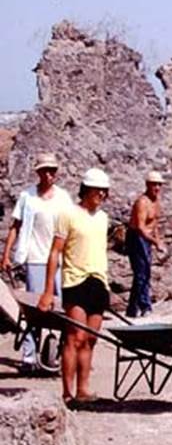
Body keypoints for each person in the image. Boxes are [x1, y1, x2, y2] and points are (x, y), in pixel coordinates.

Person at [37, 168, 112, 406]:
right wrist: (48, 291)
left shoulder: (103, 218)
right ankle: (67, 393)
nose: (100, 194)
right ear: (85, 190)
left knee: (90, 339)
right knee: (74, 337)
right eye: (96, 190)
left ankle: (83, 390)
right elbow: (55, 252)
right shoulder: (68, 214)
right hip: (75, 281)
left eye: (104, 191)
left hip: (99, 282)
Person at [1, 152, 73, 373]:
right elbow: (16, 226)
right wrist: (6, 254)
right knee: (34, 309)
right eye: (45, 170)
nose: (49, 174)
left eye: (53, 170)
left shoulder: (63, 198)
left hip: (59, 260)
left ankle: (57, 353)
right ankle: (29, 357)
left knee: (60, 309)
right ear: (39, 172)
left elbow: (72, 227)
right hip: (35, 258)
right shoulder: (28, 197)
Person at [126, 171, 164, 318]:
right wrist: (155, 242)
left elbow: (155, 224)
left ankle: (132, 308)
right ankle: (145, 306)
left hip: (146, 238)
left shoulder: (156, 201)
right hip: (137, 237)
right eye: (155, 184)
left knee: (143, 273)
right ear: (148, 185)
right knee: (142, 272)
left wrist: (158, 239)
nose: (157, 187)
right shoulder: (142, 202)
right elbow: (141, 227)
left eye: (159, 184)